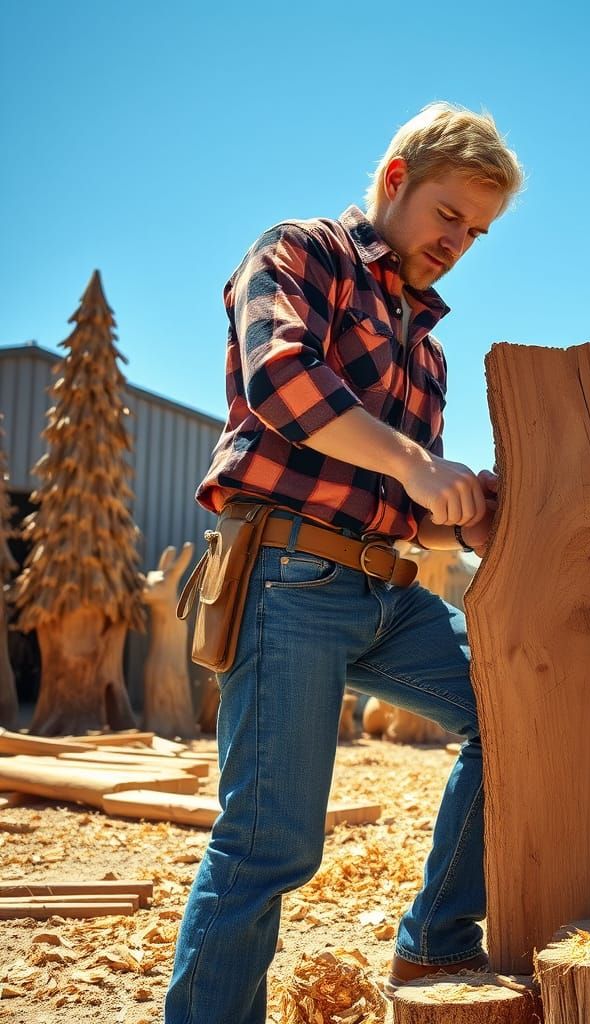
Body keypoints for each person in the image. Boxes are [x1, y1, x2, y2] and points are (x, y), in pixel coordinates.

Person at [165, 102, 523, 1023]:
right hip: (286, 580)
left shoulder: (429, 354)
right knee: (268, 845)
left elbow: (402, 508)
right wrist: (415, 463)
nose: (458, 243)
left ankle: (437, 939)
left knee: (521, 710)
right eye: (449, 215)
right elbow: (279, 381)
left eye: (476, 233)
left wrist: (466, 521)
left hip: (385, 589)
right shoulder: (300, 252)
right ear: (397, 179)